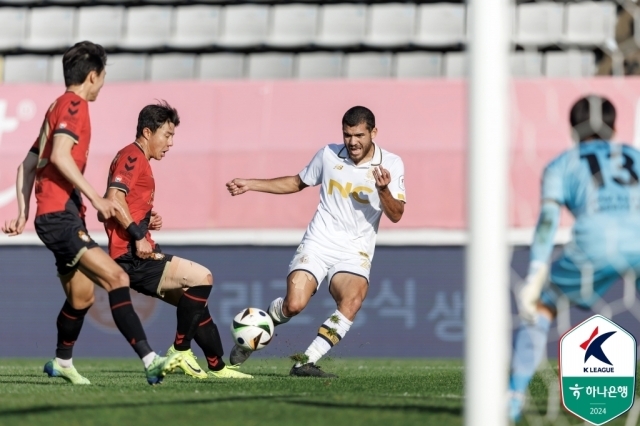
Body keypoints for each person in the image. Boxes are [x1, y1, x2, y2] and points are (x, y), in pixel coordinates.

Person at [1, 42, 182, 385]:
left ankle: (62, 362)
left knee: (81, 297)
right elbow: (59, 156)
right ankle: (150, 359)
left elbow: (27, 163)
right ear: (93, 75)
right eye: (103, 76)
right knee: (117, 278)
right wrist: (96, 199)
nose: (103, 84)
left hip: (55, 215)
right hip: (60, 216)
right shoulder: (74, 105)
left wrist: (23, 212)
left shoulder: (55, 106)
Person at [226, 106, 406, 377]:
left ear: (374, 133)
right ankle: (259, 329)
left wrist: (383, 190)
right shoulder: (329, 154)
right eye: (347, 135)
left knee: (352, 301)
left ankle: (304, 362)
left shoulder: (391, 164)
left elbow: (396, 215)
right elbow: (297, 182)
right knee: (294, 305)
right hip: (319, 242)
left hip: (354, 251)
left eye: (359, 135)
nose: (352, 142)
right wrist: (251, 184)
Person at [509, 95, 640, 420]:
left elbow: (549, 221)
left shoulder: (561, 164)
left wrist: (537, 271)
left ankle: (513, 398)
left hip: (594, 244)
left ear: (573, 130)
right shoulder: (636, 156)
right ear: (615, 127)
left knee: (540, 305)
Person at [102, 102, 252, 380]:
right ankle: (180, 350)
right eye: (167, 135)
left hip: (132, 253)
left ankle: (217, 367)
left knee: (195, 305)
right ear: (148, 132)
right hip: (130, 256)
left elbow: (117, 208)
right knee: (202, 277)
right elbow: (112, 200)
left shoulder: (137, 160)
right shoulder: (132, 157)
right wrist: (137, 234)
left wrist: (146, 221)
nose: (171, 143)